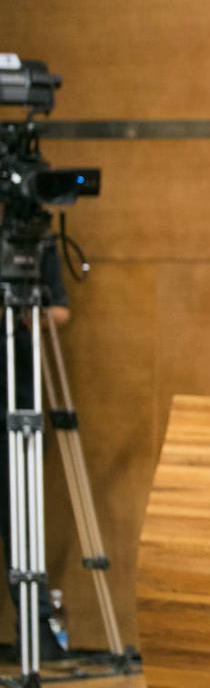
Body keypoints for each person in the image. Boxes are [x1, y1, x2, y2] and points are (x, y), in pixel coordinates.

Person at [0, 239, 71, 662]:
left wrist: (23, 314)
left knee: (19, 518)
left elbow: (60, 309)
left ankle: (37, 632)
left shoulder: (34, 240)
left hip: (17, 393)